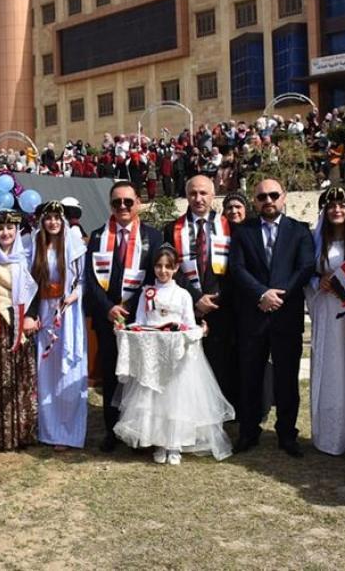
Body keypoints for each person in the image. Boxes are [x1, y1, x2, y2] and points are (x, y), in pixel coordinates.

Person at [113, 245, 234, 464]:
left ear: (176, 268)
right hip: (153, 357)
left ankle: (175, 444)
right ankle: (159, 442)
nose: (163, 271)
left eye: (168, 267)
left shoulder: (183, 294)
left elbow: (189, 323)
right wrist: (125, 328)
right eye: (159, 266)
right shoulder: (146, 293)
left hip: (177, 357)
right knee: (155, 401)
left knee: (177, 401)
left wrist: (200, 330)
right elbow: (140, 321)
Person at [229, 178, 315, 457]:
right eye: (262, 197)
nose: (268, 200)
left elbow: (305, 267)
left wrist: (279, 295)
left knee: (287, 378)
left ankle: (287, 434)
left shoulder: (300, 231)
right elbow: (237, 268)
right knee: (250, 376)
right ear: (255, 201)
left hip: (286, 315)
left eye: (273, 195)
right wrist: (261, 294)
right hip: (253, 316)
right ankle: (248, 432)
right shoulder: (243, 231)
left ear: (283, 196)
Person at [84, 181, 163, 452]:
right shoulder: (97, 236)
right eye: (117, 202)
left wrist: (129, 308)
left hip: (138, 318)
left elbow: (154, 277)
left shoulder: (152, 236)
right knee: (111, 374)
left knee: (139, 375)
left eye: (128, 201)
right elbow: (89, 279)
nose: (122, 207)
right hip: (107, 319)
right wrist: (108, 308)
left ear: (138, 202)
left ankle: (138, 431)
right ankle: (112, 430)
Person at [162, 175, 237, 410]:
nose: (198, 198)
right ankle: (189, 411)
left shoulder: (230, 227)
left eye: (203, 193)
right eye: (193, 193)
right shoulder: (172, 229)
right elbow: (169, 269)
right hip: (187, 307)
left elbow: (237, 268)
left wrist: (215, 298)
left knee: (221, 363)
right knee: (187, 365)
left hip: (221, 307)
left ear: (213, 195)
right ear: (186, 196)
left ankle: (218, 414)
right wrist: (196, 299)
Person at [306, 186, 345, 457]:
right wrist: (319, 281)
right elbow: (306, 273)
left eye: (341, 206)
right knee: (330, 367)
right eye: (331, 206)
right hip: (327, 311)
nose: (336, 210)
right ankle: (329, 434)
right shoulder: (317, 241)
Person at [29, 201, 88, 450]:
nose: (52, 222)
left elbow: (84, 279)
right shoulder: (36, 246)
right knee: (47, 370)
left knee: (68, 369)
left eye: (56, 218)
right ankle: (49, 430)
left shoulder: (74, 247)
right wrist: (32, 313)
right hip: (45, 311)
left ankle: (68, 432)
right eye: (48, 218)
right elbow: (30, 282)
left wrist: (75, 294)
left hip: (68, 312)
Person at [0, 210, 40, 451]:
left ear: (17, 231)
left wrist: (30, 316)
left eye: (10, 228)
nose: (5, 233)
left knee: (20, 378)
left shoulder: (27, 259)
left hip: (20, 326)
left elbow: (36, 292)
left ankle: (23, 432)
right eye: (0, 229)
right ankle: (1, 435)